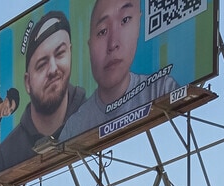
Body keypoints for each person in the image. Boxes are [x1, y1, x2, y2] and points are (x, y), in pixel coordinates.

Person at [0, 10, 85, 178]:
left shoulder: (95, 113)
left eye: (60, 53)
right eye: (41, 64)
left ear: (71, 53)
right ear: (27, 82)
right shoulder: (6, 154)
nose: (53, 69)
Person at [60, 0, 178, 141]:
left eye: (125, 20)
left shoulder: (161, 89)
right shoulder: (74, 128)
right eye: (102, 31)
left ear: (138, 25)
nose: (113, 44)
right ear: (90, 46)